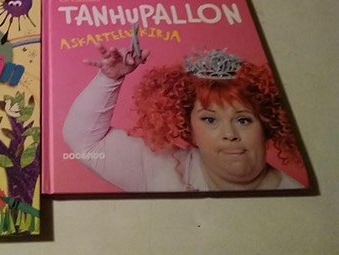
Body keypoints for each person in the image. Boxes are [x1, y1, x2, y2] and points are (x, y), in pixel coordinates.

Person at [63, 44, 305, 192]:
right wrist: (109, 79)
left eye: (243, 120)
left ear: (268, 126)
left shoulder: (295, 196)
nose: (229, 135)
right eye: (210, 120)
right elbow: (85, 143)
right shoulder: (161, 168)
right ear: (190, 129)